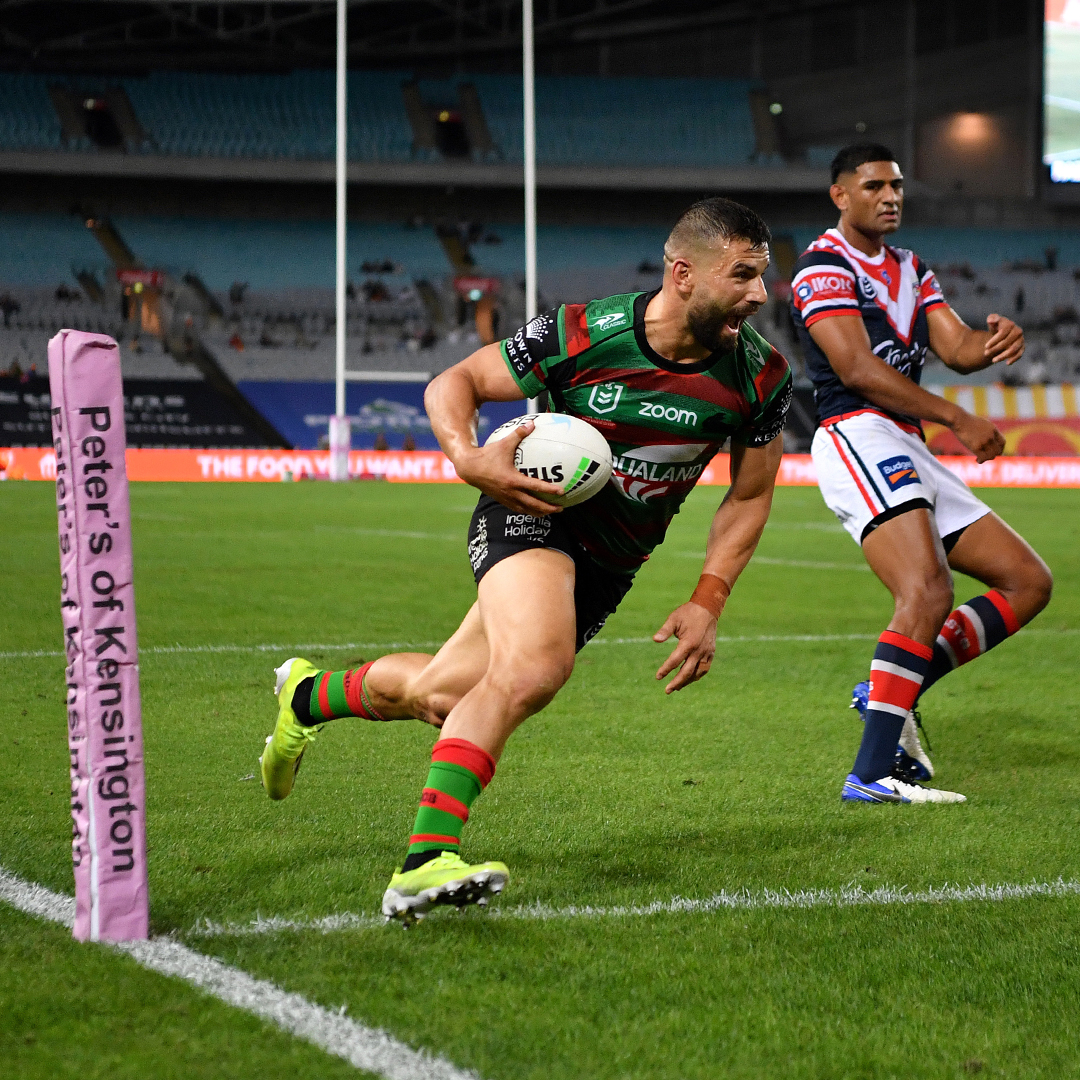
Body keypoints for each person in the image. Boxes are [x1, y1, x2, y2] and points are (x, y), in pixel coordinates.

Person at [259, 197, 793, 921]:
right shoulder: (584, 331)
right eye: (743, 275)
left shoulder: (760, 377)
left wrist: (709, 598)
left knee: (444, 699)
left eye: (764, 276)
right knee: (536, 668)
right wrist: (467, 458)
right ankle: (425, 860)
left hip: (608, 563)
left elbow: (750, 495)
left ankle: (307, 698)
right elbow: (457, 382)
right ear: (684, 274)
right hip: (529, 512)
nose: (761, 295)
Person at [790, 144, 1052, 805]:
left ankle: (887, 691)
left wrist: (992, 343)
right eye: (874, 185)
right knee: (927, 589)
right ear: (840, 196)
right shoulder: (822, 266)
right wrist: (958, 419)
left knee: (1027, 582)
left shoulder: (912, 268)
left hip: (906, 441)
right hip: (857, 433)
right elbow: (855, 368)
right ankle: (872, 774)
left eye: (897, 186)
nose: (890, 196)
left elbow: (957, 348)